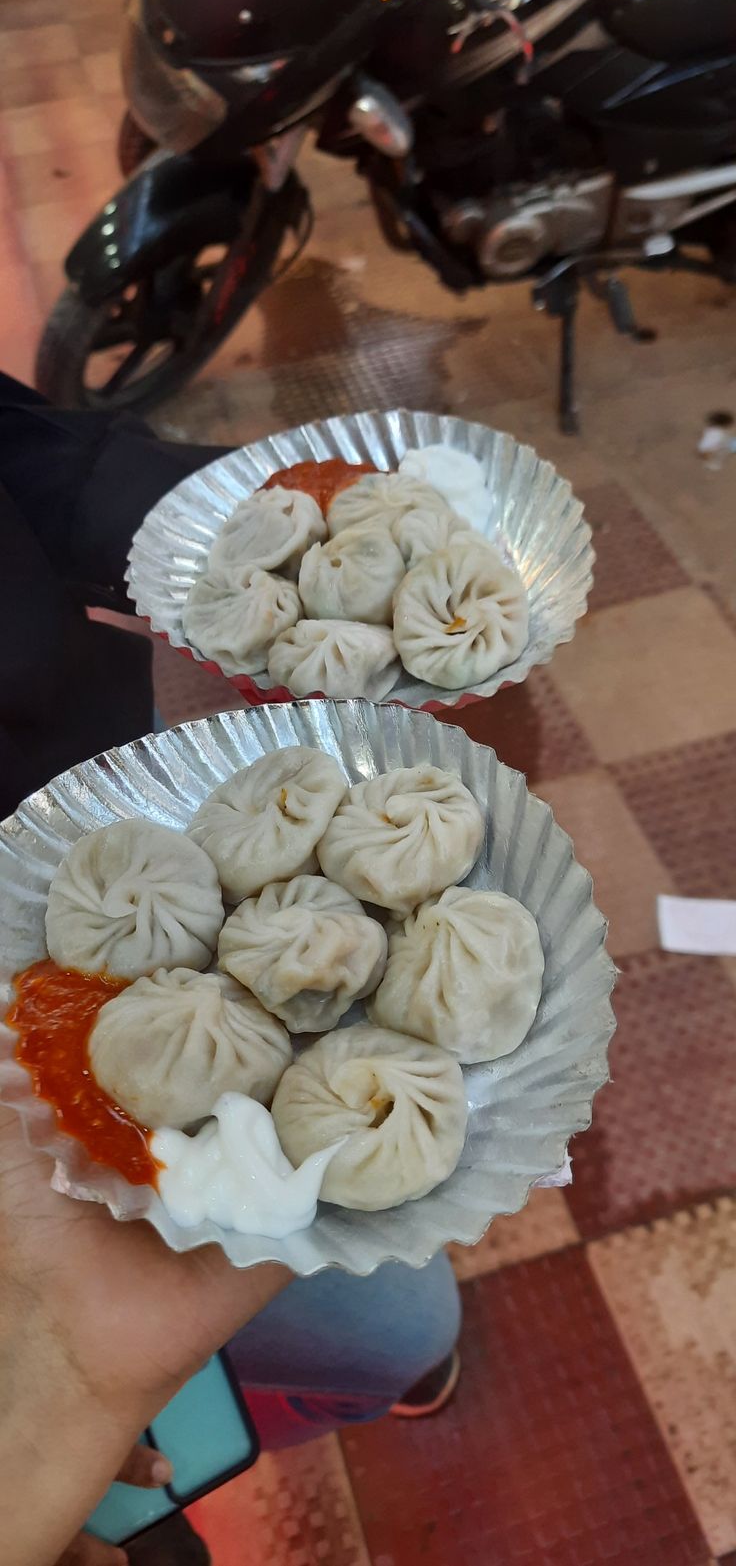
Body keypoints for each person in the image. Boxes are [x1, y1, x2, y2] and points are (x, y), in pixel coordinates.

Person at [0, 375, 461, 1566]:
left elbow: (40, 456)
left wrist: (241, 516)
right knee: (392, 1319)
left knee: (403, 1311)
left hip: (118, 829)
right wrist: (38, 1443)